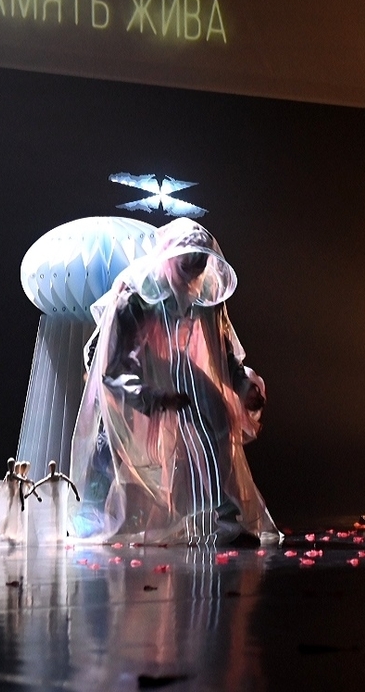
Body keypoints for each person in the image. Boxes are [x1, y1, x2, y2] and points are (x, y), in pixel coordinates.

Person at [68, 218, 279, 546]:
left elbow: (222, 352)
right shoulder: (135, 295)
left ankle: (226, 516)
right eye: (185, 267)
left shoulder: (205, 294)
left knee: (218, 416)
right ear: (168, 260)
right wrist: (151, 397)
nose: (192, 276)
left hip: (171, 363)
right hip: (121, 366)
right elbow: (111, 366)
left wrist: (242, 386)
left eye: (199, 266)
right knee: (113, 437)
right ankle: (91, 516)